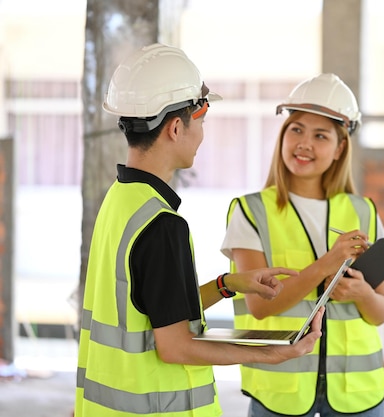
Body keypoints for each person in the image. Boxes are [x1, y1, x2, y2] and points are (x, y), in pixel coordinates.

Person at [74, 44, 323, 417]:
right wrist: (273, 353)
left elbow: (151, 312)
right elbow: (175, 347)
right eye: (202, 121)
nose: (203, 135)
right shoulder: (162, 225)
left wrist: (228, 285)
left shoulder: (120, 200)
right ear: (177, 128)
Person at [221, 73, 384, 416]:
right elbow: (260, 306)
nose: (304, 143)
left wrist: (362, 295)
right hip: (280, 394)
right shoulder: (251, 211)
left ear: (340, 147)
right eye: (296, 129)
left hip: (359, 396)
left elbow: (381, 312)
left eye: (320, 135)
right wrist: (330, 262)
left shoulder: (363, 212)